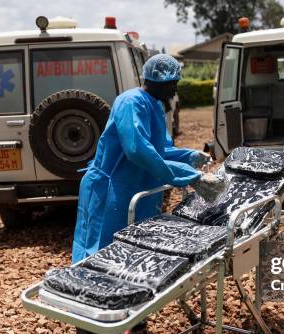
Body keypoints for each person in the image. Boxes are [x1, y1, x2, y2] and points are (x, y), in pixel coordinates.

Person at [72, 54, 210, 264]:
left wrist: (189, 156)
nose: (175, 90)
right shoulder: (130, 101)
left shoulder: (154, 105)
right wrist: (188, 175)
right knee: (100, 251)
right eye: (173, 84)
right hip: (110, 189)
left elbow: (159, 149)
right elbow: (137, 149)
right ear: (159, 82)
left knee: (131, 252)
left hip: (134, 186)